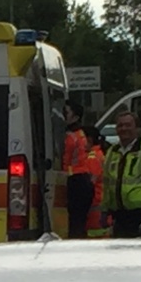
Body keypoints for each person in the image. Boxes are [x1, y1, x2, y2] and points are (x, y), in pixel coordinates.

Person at [102, 109, 141, 237]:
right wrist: (104, 211)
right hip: (118, 215)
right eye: (120, 125)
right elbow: (107, 183)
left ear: (137, 128)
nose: (123, 128)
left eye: (128, 125)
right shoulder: (112, 152)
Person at [63, 101, 92, 239]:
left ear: (75, 117)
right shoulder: (80, 134)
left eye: (66, 112)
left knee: (75, 224)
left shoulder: (70, 137)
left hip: (76, 180)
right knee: (79, 224)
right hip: (83, 179)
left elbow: (64, 160)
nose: (63, 115)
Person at [82, 126, 108, 238]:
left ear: (89, 140)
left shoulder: (92, 158)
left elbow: (90, 183)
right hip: (98, 208)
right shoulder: (98, 154)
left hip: (94, 211)